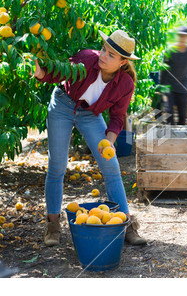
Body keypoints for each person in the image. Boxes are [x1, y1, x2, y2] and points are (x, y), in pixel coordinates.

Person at [34, 30, 147, 246]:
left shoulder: (125, 85)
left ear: (123, 63)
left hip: (89, 114)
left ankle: (126, 225)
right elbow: (57, 73)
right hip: (63, 104)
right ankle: (53, 225)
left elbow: (117, 117)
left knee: (111, 166)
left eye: (111, 55)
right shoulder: (87, 58)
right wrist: (41, 72)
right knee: (57, 165)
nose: (103, 55)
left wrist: (109, 143)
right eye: (104, 49)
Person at [160, 26, 187, 125]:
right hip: (169, 87)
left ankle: (181, 138)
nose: (183, 38)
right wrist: (161, 88)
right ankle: (170, 136)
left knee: (182, 115)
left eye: (185, 36)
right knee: (169, 112)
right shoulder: (170, 51)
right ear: (178, 37)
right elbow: (164, 70)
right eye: (181, 36)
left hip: (183, 88)